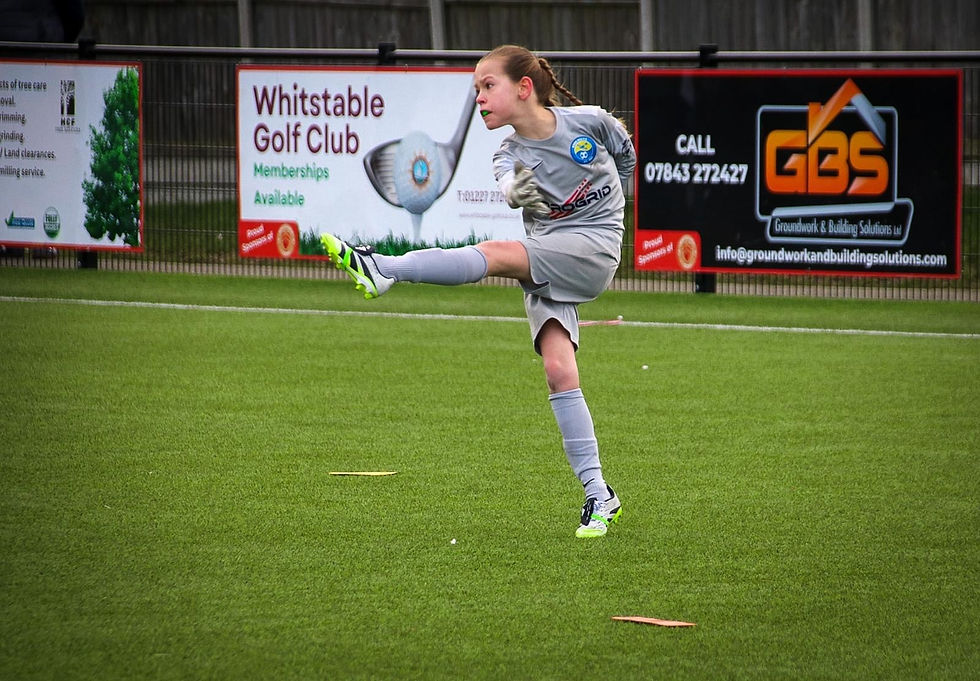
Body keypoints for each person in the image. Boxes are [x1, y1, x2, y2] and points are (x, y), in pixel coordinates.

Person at [322, 44, 636, 538]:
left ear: (524, 87)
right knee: (558, 371)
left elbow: (625, 152)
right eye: (476, 90)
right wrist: (537, 197)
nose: (480, 98)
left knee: (493, 252)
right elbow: (521, 194)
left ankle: (384, 268)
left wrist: (613, 204)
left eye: (488, 86)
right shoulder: (508, 155)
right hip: (549, 250)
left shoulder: (590, 121)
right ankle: (600, 494)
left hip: (594, 248)